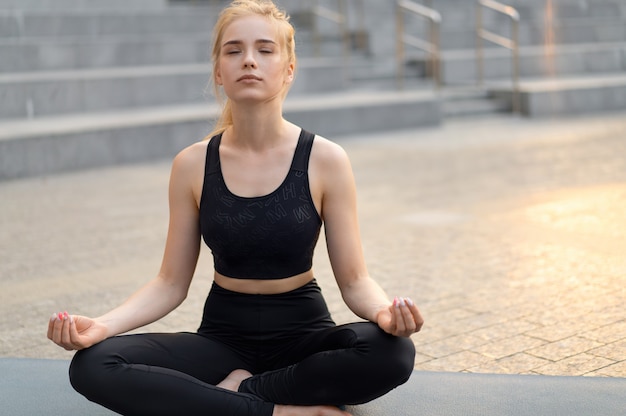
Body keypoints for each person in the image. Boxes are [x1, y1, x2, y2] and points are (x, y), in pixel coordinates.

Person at [46, 1, 423, 415]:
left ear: (289, 69)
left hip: (304, 335)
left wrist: (385, 314)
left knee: (394, 353)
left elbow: (354, 281)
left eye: (265, 49)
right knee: (93, 365)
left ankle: (244, 392)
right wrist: (103, 325)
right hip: (222, 338)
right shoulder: (191, 164)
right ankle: (279, 410)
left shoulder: (326, 159)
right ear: (218, 73)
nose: (249, 61)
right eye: (233, 50)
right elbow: (170, 283)